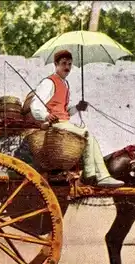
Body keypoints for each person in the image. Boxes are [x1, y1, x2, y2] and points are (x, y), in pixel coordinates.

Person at [29, 50, 125, 188]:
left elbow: (64, 111)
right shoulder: (48, 82)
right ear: (56, 64)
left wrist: (77, 108)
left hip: (64, 123)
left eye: (69, 64)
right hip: (54, 125)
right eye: (63, 64)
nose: (67, 67)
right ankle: (90, 175)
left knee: (91, 138)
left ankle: (103, 176)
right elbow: (35, 105)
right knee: (85, 133)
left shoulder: (65, 84)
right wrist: (45, 115)